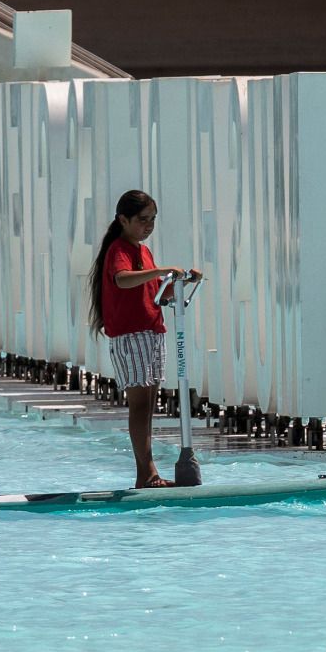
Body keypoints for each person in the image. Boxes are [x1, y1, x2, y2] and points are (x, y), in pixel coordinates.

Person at [88, 190, 203, 488]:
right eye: (142, 220)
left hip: (151, 332)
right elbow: (122, 279)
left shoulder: (143, 251)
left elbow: (157, 294)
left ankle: (148, 474)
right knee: (139, 406)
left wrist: (182, 281)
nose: (149, 226)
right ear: (123, 220)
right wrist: (163, 270)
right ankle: (146, 473)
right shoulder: (120, 249)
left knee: (149, 404)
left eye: (153, 220)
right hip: (131, 336)